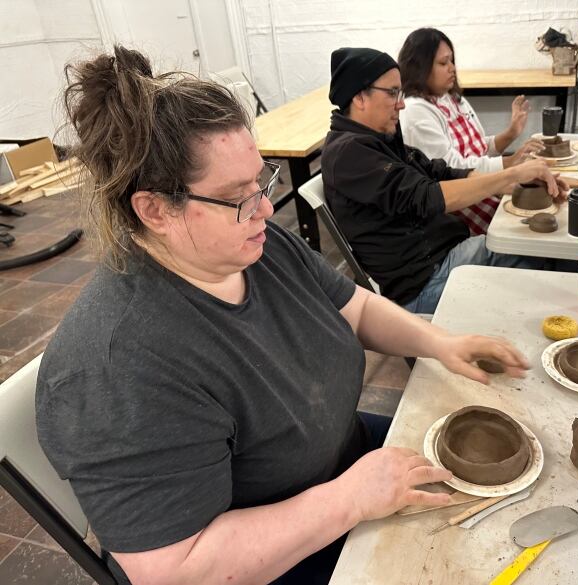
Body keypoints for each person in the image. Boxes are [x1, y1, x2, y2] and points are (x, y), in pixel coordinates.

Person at [35, 46, 533, 585]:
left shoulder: (255, 243)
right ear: (155, 209)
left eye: (261, 182)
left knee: (505, 501)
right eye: (237, 198)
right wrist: (348, 499)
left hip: (343, 458)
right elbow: (173, 570)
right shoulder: (115, 370)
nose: (267, 209)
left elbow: (355, 306)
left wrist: (438, 342)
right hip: (273, 551)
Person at [321, 47, 568, 314]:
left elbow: (441, 171)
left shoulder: (379, 137)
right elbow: (429, 197)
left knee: (538, 245)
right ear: (359, 97)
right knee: (543, 255)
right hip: (427, 284)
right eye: (393, 93)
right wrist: (509, 174)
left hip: (446, 258)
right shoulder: (349, 153)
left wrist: (512, 184)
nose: (401, 103)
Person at [398, 28, 545, 236]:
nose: (452, 69)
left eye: (452, 61)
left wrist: (511, 133)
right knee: (528, 230)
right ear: (419, 68)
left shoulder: (451, 98)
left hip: (480, 185)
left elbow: (478, 148)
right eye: (443, 63)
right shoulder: (415, 111)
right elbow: (452, 168)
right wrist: (509, 164)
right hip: (460, 204)